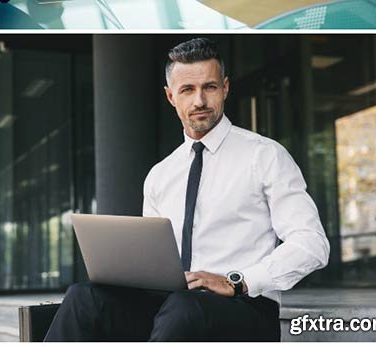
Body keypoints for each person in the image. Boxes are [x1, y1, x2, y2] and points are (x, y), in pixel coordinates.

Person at [45, 36, 330, 341]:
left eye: (209, 87)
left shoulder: (265, 155)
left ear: (225, 88)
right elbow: (149, 261)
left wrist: (237, 281)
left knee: (184, 308)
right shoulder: (160, 175)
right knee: (83, 298)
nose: (199, 101)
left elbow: (312, 244)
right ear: (171, 97)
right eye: (187, 90)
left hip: (244, 307)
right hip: (172, 307)